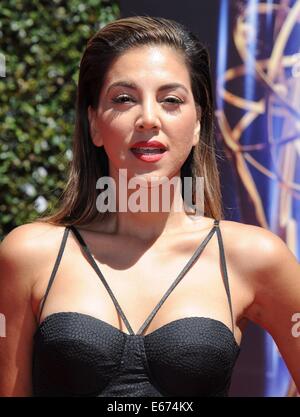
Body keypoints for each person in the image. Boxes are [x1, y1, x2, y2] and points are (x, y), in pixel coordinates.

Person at [0, 16, 299, 397]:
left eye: (171, 100)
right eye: (123, 99)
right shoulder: (29, 254)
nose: (148, 119)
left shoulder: (254, 256)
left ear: (196, 124)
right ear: (94, 123)